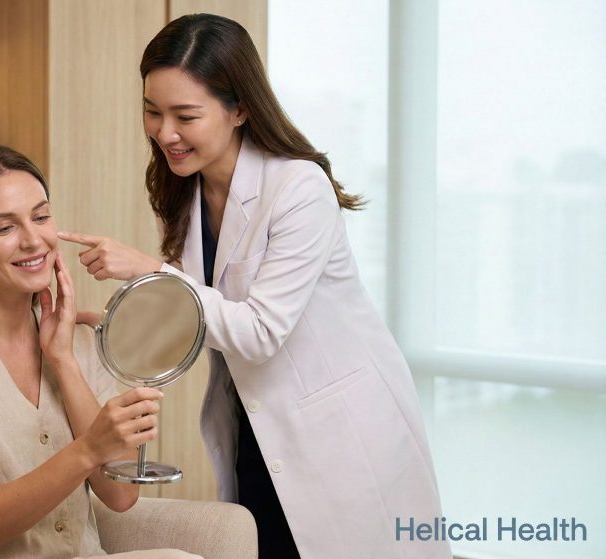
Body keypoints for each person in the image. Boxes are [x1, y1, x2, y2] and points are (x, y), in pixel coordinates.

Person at [59, 14, 450, 559]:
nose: (164, 132)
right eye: (152, 111)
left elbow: (260, 331)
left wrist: (150, 271)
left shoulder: (298, 188)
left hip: (337, 436)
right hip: (254, 429)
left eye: (185, 116)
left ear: (240, 108)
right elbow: (204, 318)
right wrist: (123, 329)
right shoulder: (183, 191)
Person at [0, 144, 200, 559]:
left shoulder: (79, 341)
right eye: (4, 228)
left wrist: (65, 362)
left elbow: (121, 495)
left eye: (41, 216)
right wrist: (86, 450)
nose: (34, 241)